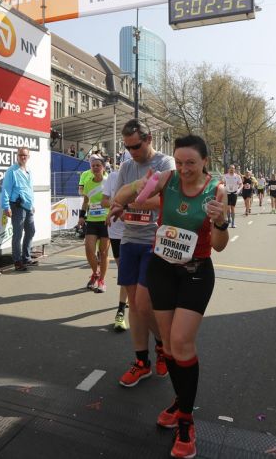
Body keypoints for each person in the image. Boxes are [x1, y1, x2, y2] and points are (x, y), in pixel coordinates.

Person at [111, 134, 229, 459]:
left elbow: (219, 245)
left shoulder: (216, 190)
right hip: (162, 269)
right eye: (179, 162)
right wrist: (136, 189)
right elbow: (125, 196)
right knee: (169, 345)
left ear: (205, 161)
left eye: (191, 163)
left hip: (195, 272)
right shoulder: (166, 179)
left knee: (181, 342)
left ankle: (186, 422)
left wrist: (221, 221)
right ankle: (180, 401)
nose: (184, 169)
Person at [109, 119, 175, 387]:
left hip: (154, 241)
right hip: (129, 240)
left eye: (135, 146)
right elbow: (118, 198)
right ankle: (141, 362)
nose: (131, 152)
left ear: (149, 139)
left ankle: (161, 344)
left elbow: (167, 200)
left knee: (145, 304)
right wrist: (120, 206)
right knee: (135, 306)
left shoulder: (165, 163)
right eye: (127, 147)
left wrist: (135, 202)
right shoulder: (126, 166)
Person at [101, 167, 129, 331]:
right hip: (116, 231)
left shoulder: (143, 177)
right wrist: (117, 205)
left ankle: (120, 311)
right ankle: (127, 296)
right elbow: (104, 201)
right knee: (124, 271)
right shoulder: (113, 176)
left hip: (137, 231)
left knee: (126, 272)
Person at [1, 147, 36, 272]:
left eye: (25, 155)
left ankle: (26, 257)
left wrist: (32, 205)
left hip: (28, 206)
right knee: (18, 234)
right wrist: (6, 206)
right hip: (17, 206)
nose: (23, 157)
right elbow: (6, 189)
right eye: (21, 155)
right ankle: (17, 261)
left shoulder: (29, 171)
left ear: (28, 156)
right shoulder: (12, 171)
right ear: (17, 156)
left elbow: (29, 189)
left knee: (31, 231)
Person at [81, 156, 110, 292]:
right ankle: (95, 273)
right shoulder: (88, 183)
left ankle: (102, 281)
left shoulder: (108, 182)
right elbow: (86, 202)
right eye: (93, 166)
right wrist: (81, 216)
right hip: (92, 220)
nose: (96, 168)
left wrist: (111, 213)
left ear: (103, 167)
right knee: (89, 250)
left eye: (98, 165)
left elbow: (114, 199)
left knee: (103, 253)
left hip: (105, 221)